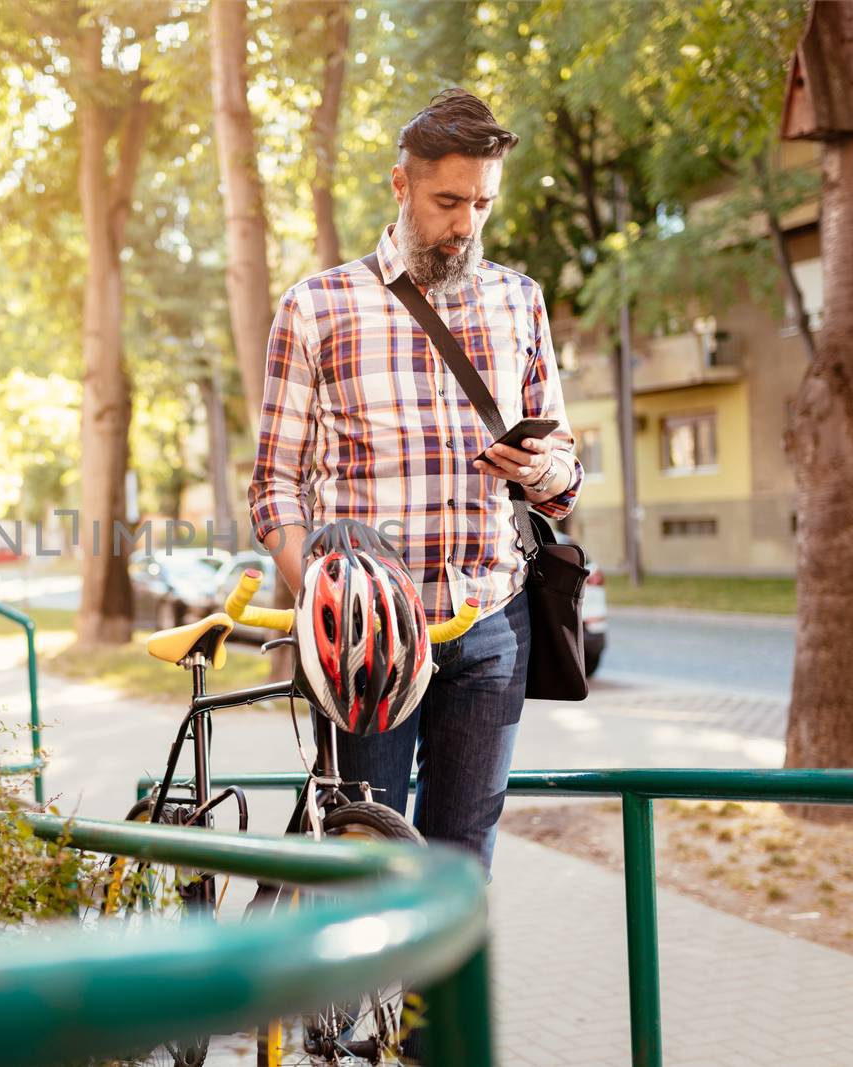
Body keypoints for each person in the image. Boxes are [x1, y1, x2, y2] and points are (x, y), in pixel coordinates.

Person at [247, 88, 582, 874]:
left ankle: (433, 1007)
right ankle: (345, 1002)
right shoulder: (316, 307)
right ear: (401, 186)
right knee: (362, 863)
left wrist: (537, 467)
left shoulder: (519, 302)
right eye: (447, 200)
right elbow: (273, 487)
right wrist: (325, 601)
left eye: (482, 204)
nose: (465, 223)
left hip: (492, 628)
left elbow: (565, 478)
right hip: (366, 639)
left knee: (461, 869)